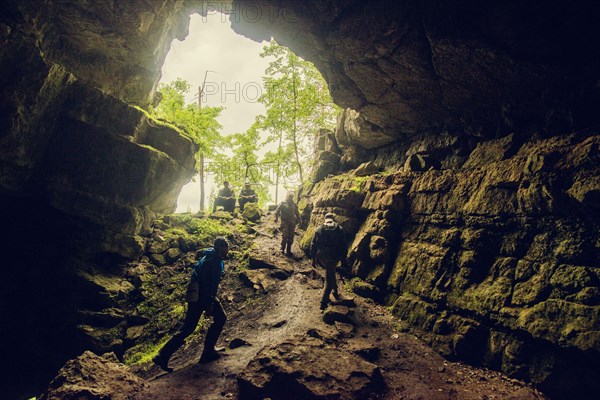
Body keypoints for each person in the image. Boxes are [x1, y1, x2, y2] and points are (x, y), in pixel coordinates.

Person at [153, 237, 229, 372]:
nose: (227, 250)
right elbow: (210, 284)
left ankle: (162, 355)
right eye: (225, 247)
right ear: (219, 248)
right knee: (220, 318)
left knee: (188, 327)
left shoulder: (208, 256)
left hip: (195, 295)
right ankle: (208, 351)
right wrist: (210, 303)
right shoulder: (215, 262)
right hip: (204, 296)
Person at [311, 212, 347, 310]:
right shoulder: (339, 229)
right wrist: (344, 260)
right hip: (334, 257)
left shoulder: (319, 229)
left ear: (325, 219)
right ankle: (323, 302)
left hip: (322, 257)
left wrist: (313, 259)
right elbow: (344, 246)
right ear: (334, 219)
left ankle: (335, 291)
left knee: (330, 272)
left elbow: (313, 245)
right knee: (329, 278)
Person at [274, 192, 300, 256]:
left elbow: (297, 213)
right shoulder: (282, 203)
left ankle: (288, 249)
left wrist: (300, 220)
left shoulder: (294, 205)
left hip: (292, 222)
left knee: (291, 236)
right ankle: (282, 248)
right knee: (285, 235)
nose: (290, 198)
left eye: (292, 197)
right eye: (289, 196)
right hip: (284, 222)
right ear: (287, 196)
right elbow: (277, 211)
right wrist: (276, 218)